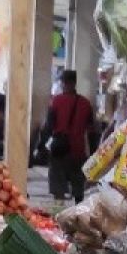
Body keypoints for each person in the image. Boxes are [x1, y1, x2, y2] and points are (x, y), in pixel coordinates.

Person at [44, 69, 95, 204]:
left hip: (59, 151)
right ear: (75, 82)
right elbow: (92, 130)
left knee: (58, 187)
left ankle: (58, 214)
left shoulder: (56, 101)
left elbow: (48, 127)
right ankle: (77, 218)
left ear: (62, 83)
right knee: (78, 189)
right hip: (78, 152)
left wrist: (42, 147)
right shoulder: (86, 103)